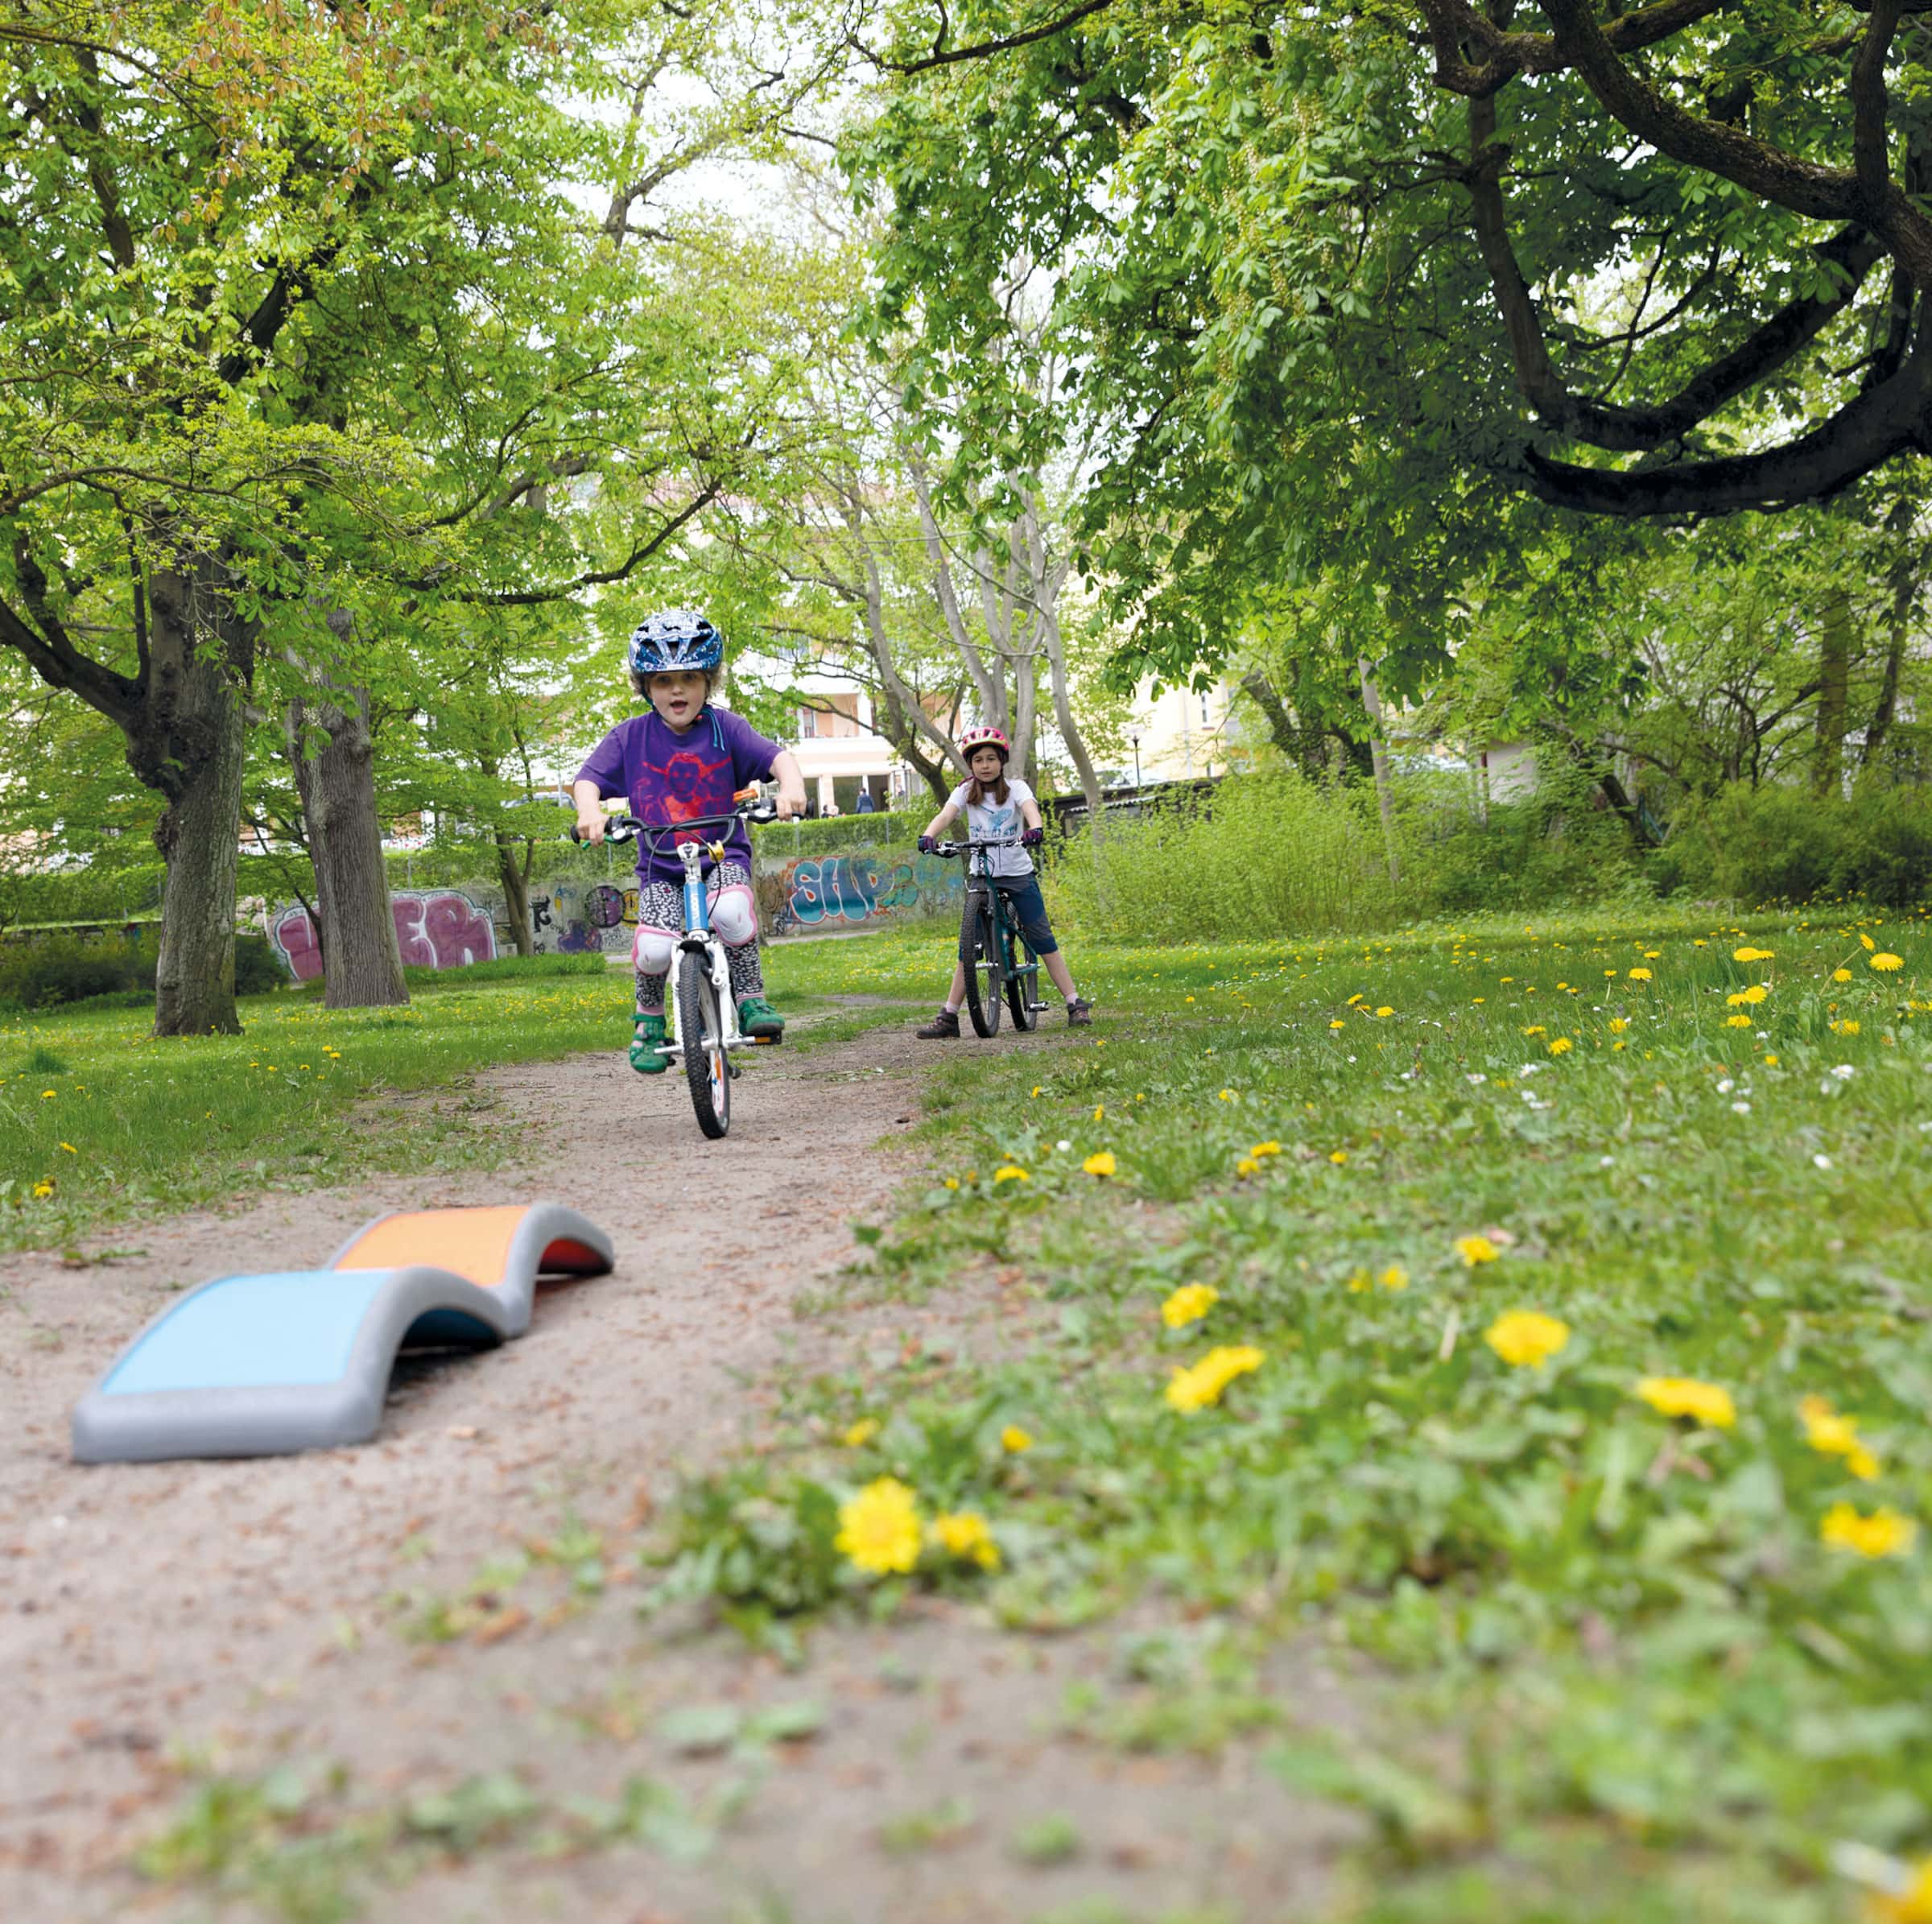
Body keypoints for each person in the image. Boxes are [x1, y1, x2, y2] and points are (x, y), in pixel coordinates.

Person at [573, 609, 807, 1074]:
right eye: (663, 681)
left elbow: (779, 759)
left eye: (688, 678)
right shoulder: (630, 738)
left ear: (709, 681)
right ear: (645, 686)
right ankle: (648, 1025)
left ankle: (751, 1000)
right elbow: (587, 781)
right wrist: (590, 812)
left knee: (733, 914)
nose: (676, 690)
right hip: (661, 866)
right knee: (654, 950)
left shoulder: (728, 729)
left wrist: (792, 789)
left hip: (721, 856)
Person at [913, 725, 1092, 1035]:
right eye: (979, 760)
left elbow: (1030, 810)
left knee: (1041, 936)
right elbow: (946, 815)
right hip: (982, 876)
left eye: (991, 759)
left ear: (1002, 761)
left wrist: (1034, 828)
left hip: (1017, 872)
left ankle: (1074, 1003)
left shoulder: (1016, 788)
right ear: (970, 764)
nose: (985, 765)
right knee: (968, 947)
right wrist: (929, 835)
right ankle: (949, 1017)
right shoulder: (965, 792)